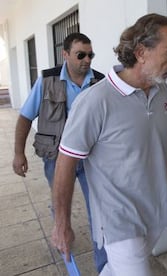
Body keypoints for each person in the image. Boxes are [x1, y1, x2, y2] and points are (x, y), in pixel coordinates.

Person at [50, 13, 167, 275]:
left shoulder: (161, 91)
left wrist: (166, 191)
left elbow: (165, 144)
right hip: (119, 222)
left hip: (155, 211)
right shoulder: (95, 101)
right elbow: (65, 162)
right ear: (142, 52)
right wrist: (61, 224)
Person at [12, 32, 108, 272]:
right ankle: (62, 235)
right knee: (60, 204)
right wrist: (18, 153)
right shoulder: (46, 80)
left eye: (90, 55)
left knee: (97, 210)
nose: (87, 60)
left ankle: (104, 264)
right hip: (56, 158)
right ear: (65, 54)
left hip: (90, 160)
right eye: (80, 55)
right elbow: (25, 117)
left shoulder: (100, 82)